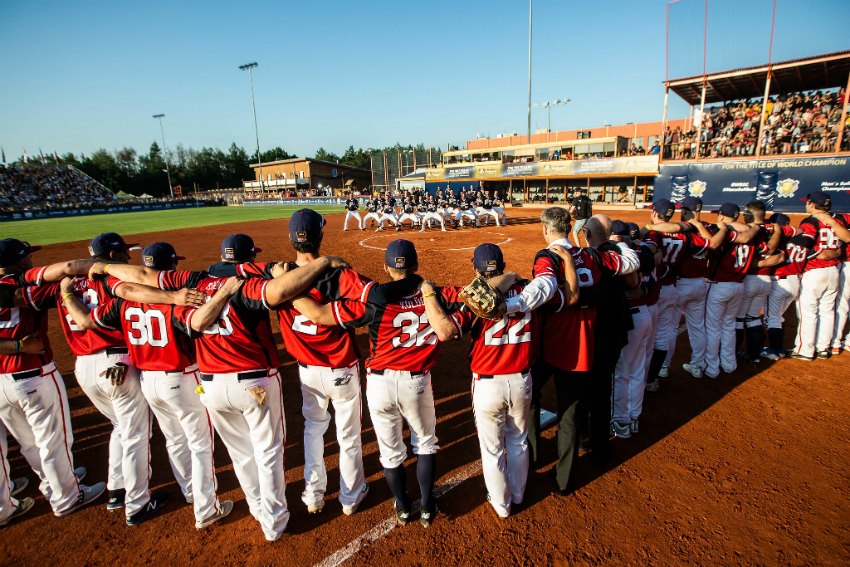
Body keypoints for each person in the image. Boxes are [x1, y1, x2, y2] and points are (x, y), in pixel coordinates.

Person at [87, 251, 351, 541]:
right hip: (250, 381)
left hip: (207, 383)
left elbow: (137, 282)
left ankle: (257, 508)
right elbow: (279, 290)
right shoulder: (246, 283)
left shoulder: (192, 282)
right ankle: (273, 523)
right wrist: (321, 263)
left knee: (238, 455)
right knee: (267, 452)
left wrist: (101, 267)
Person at [66, 241, 238, 529]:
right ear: (170, 268)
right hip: (182, 379)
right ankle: (206, 508)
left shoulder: (122, 299)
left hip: (148, 381)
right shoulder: (176, 299)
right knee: (200, 445)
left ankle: (190, 493)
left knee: (174, 440)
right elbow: (200, 324)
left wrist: (67, 293)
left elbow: (84, 320)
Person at [293, 240, 465, 528]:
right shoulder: (438, 294)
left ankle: (401, 505)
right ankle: (425, 505)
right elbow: (477, 293)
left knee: (390, 450)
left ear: (386, 267)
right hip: (417, 381)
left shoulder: (374, 301)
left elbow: (320, 314)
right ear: (416, 266)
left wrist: (287, 290)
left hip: (380, 383)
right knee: (425, 444)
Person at [504, 208, 638, 494]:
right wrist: (620, 241)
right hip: (582, 346)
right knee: (569, 415)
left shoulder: (547, 256)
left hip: (549, 344)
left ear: (545, 229)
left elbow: (545, 286)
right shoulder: (593, 256)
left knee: (529, 399)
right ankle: (565, 480)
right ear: (570, 229)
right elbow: (629, 262)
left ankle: (534, 456)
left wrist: (511, 304)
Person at [790, 192, 850, 360]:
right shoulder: (838, 220)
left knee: (808, 312)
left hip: (815, 272)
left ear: (812, 205)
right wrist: (834, 253)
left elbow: (805, 244)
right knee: (827, 310)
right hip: (834, 271)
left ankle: (805, 350)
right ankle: (823, 348)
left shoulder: (811, 221)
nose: (806, 205)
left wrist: (818, 253)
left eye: (807, 203)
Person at [762, 214, 814, 360]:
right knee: (778, 317)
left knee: (771, 318)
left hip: (779, 282)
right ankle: (779, 348)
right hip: (795, 281)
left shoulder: (779, 238)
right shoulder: (803, 239)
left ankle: (774, 350)